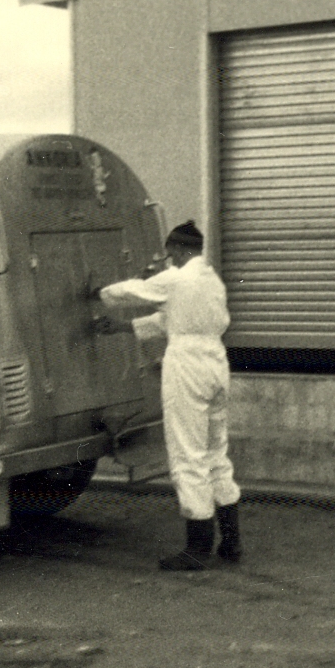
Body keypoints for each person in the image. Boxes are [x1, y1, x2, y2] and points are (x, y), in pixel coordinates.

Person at [93, 220, 242, 570]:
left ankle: (197, 548)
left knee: (187, 454)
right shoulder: (211, 281)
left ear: (175, 250)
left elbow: (133, 290)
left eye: (168, 253)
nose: (167, 259)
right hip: (216, 363)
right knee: (215, 453)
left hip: (187, 367)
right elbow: (169, 319)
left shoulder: (176, 278)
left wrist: (99, 292)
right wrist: (121, 328)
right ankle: (231, 543)